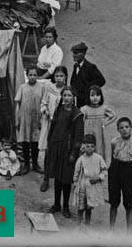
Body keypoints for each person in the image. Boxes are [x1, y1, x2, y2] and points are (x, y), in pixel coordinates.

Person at [45, 86, 84, 218]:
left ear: (73, 98)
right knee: (57, 177)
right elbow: (53, 127)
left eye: (69, 95)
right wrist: (50, 143)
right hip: (56, 148)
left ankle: (66, 206)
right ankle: (56, 204)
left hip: (68, 150)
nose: (66, 98)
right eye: (65, 95)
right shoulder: (59, 109)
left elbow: (79, 136)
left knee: (66, 179)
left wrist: (74, 152)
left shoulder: (77, 114)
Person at [108, 116, 132, 233]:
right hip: (115, 171)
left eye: (127, 127)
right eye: (121, 128)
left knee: (129, 203)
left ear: (131, 128)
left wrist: (130, 169)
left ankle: (129, 232)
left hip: (129, 172)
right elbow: (112, 158)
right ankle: (111, 230)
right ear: (118, 130)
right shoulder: (114, 142)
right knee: (114, 202)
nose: (124, 129)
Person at [39, 66, 68, 191]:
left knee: (61, 151)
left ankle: (60, 177)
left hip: (62, 126)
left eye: (61, 76)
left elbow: (71, 107)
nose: (59, 78)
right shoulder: (49, 88)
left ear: (66, 77)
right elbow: (43, 103)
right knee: (48, 151)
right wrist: (45, 112)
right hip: (49, 123)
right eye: (57, 76)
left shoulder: (67, 91)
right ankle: (46, 178)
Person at [73, 134, 108, 226]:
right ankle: (79, 225)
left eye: (92, 146)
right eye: (87, 146)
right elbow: (76, 173)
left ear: (95, 147)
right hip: (82, 186)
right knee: (81, 207)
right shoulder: (81, 159)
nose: (90, 149)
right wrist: (75, 183)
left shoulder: (98, 158)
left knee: (89, 207)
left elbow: (104, 170)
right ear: (83, 146)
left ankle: (87, 225)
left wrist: (99, 177)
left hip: (92, 186)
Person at [15, 66, 44, 175]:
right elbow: (17, 104)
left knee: (35, 141)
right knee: (25, 140)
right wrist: (17, 119)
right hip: (25, 118)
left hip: (36, 118)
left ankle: (35, 163)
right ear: (27, 76)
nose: (32, 77)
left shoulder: (41, 87)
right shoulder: (22, 87)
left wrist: (42, 119)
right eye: (30, 75)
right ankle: (27, 164)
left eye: (34, 75)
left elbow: (44, 103)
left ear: (37, 76)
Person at [80, 85, 116, 162]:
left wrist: (105, 123)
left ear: (101, 97)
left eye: (97, 95)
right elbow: (81, 121)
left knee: (99, 147)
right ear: (88, 96)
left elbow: (114, 115)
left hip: (99, 132)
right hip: (88, 132)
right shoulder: (85, 109)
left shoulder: (103, 108)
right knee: (88, 148)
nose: (95, 98)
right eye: (92, 95)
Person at [70, 42, 106, 108]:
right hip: (78, 99)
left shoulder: (90, 67)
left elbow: (101, 80)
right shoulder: (75, 66)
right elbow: (73, 81)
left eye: (76, 53)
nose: (73, 55)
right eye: (73, 53)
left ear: (83, 54)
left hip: (87, 100)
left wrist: (88, 88)